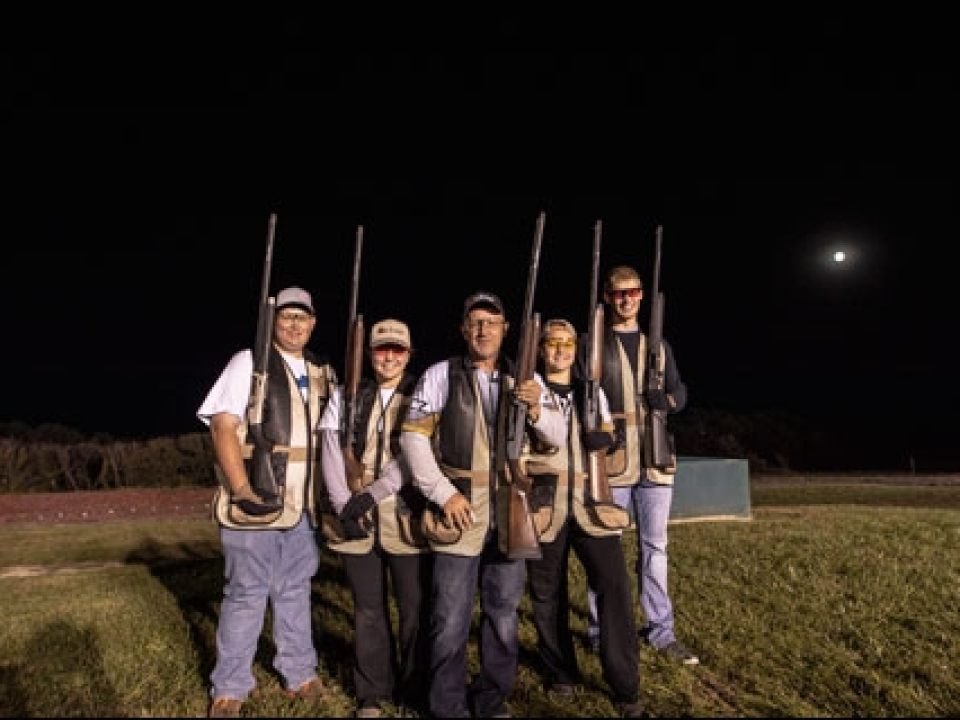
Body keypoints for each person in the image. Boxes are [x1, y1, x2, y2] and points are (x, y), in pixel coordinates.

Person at [399, 291, 567, 719]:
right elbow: (413, 439)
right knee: (449, 621)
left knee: (503, 616)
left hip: (511, 514)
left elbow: (558, 436)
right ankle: (448, 707)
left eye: (491, 323)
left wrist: (535, 410)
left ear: (505, 329)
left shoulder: (526, 379)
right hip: (460, 512)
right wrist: (443, 493)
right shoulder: (441, 375)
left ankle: (492, 700)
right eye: (475, 322)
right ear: (463, 329)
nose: (483, 330)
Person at [197, 286, 337, 718]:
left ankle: (299, 673)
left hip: (303, 504)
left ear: (313, 323)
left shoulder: (322, 370)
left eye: (303, 317)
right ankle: (231, 686)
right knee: (245, 592)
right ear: (273, 321)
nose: (295, 325)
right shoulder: (249, 360)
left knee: (295, 589)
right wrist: (241, 489)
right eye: (287, 316)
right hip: (257, 496)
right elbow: (223, 426)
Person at [524, 318, 645, 718]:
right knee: (547, 594)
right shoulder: (528, 389)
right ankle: (562, 673)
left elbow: (608, 433)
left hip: (592, 504)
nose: (560, 350)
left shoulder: (591, 392)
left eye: (567, 343)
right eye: (552, 343)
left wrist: (606, 437)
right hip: (545, 504)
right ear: (540, 349)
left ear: (577, 349)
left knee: (613, 587)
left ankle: (626, 687)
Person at [581, 264, 697, 666]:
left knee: (655, 549)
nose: (626, 299)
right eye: (618, 294)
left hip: (656, 463)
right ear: (607, 298)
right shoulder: (592, 344)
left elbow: (679, 391)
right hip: (614, 464)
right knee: (604, 551)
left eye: (632, 292)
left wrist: (666, 402)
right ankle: (601, 632)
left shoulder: (657, 346)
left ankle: (661, 632)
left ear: (642, 295)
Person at [317, 318, 431, 719]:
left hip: (404, 518)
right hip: (355, 518)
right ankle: (371, 690)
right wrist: (345, 504)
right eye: (382, 349)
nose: (389, 357)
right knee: (368, 609)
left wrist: (371, 495)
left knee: (414, 607)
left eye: (397, 350)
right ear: (369, 354)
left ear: (408, 354)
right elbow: (330, 446)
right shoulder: (346, 395)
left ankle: (416, 687)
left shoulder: (422, 392)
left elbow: (415, 455)